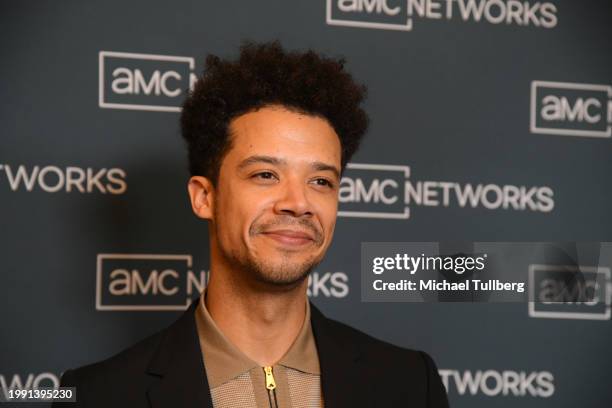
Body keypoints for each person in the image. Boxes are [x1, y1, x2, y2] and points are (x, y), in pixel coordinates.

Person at [54, 41, 449, 408]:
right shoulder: (96, 397)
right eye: (265, 175)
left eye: (321, 181)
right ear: (204, 197)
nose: (298, 203)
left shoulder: (410, 383)